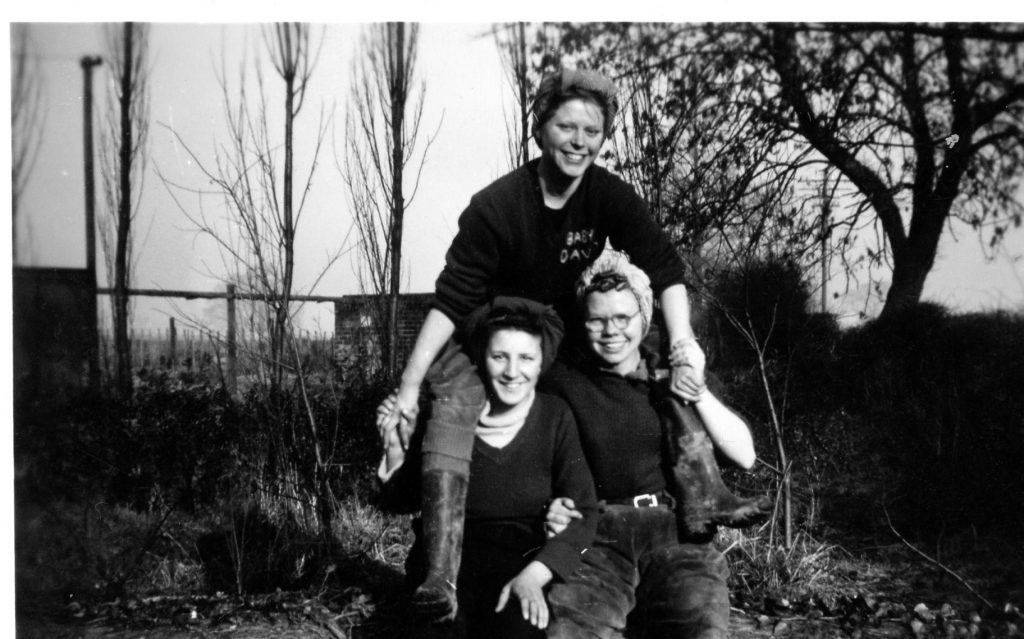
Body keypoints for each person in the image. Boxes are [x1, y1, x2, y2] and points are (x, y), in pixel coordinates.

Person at [376, 67, 758, 622]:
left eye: (592, 132)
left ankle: (703, 491)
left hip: (558, 328)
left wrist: (683, 345)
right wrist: (409, 386)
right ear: (540, 129)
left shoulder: (610, 196)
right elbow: (450, 299)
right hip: (496, 328)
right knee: (456, 398)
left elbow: (665, 269)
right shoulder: (498, 205)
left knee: (647, 361)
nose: (579, 142)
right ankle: (440, 571)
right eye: (566, 127)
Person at [539, 251, 765, 639]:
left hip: (675, 535)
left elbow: (745, 456)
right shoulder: (562, 382)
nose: (611, 331)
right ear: (582, 322)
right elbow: (537, 459)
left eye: (623, 318)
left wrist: (695, 390)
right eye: (597, 320)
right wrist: (550, 506)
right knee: (569, 632)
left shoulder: (670, 373)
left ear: (643, 318)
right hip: (596, 539)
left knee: (702, 629)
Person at [377, 297, 598, 638]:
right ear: (482, 357)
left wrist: (534, 576)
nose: (513, 372)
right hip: (445, 569)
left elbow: (584, 513)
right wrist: (395, 445)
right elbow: (401, 500)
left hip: (518, 566)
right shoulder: (450, 418)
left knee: (520, 630)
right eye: (500, 357)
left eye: (526, 358)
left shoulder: (555, 417)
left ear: (542, 363)